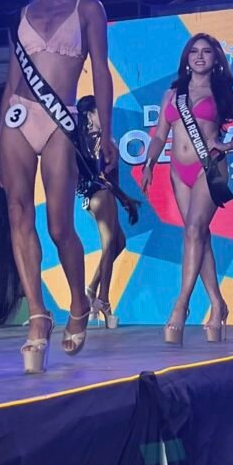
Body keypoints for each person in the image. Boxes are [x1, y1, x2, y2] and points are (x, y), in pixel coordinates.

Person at [0, 0, 115, 373]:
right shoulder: (20, 16)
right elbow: (12, 83)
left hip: (61, 120)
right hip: (18, 119)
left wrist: (105, 132)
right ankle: (38, 315)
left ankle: (78, 302)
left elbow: (101, 71)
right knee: (18, 214)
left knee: (60, 226)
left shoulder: (88, 8)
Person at [141, 34, 233, 344]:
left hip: (209, 168)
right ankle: (218, 304)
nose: (199, 56)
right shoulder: (172, 94)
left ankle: (180, 305)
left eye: (206, 52)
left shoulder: (223, 95)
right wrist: (150, 162)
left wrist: (227, 145)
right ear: (186, 58)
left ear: (215, 59)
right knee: (198, 235)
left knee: (194, 230)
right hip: (177, 171)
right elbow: (159, 135)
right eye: (194, 51)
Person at [76, 95, 141, 329]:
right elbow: (102, 176)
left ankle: (91, 290)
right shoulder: (97, 139)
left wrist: (124, 199)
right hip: (102, 195)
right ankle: (103, 301)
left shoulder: (82, 139)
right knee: (109, 245)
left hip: (94, 196)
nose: (106, 116)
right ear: (89, 115)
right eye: (100, 112)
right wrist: (124, 199)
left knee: (119, 243)